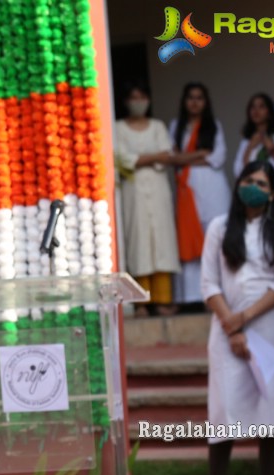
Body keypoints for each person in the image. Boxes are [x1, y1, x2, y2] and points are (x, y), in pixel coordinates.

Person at [201, 160, 274, 475]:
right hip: (226, 328)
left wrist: (243, 319)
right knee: (224, 410)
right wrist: (231, 324)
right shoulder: (218, 227)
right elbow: (209, 283)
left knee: (270, 413)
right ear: (237, 184)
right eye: (248, 180)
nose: (253, 187)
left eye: (261, 183)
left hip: (270, 329)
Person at [113, 83, 181, 311]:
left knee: (162, 241)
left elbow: (168, 155)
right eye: (133, 96)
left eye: (142, 96)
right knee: (138, 241)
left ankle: (163, 300)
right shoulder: (118, 127)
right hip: (133, 191)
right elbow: (122, 159)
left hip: (158, 189)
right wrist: (153, 157)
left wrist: (141, 158)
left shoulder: (158, 126)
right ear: (125, 101)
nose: (138, 101)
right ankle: (141, 303)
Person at [170, 82, 232, 306]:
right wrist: (198, 154)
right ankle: (192, 297)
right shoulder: (176, 126)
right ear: (184, 101)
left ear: (206, 102)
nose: (195, 102)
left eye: (199, 98)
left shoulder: (213, 125)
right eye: (191, 97)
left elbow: (217, 157)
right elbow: (172, 158)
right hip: (187, 188)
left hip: (213, 187)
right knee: (190, 239)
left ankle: (220, 294)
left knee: (216, 237)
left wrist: (185, 156)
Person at [233, 94, 274, 222]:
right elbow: (238, 172)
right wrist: (250, 148)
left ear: (269, 112)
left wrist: (273, 151)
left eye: (261, 106)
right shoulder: (247, 140)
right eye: (253, 107)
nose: (256, 111)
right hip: (253, 190)